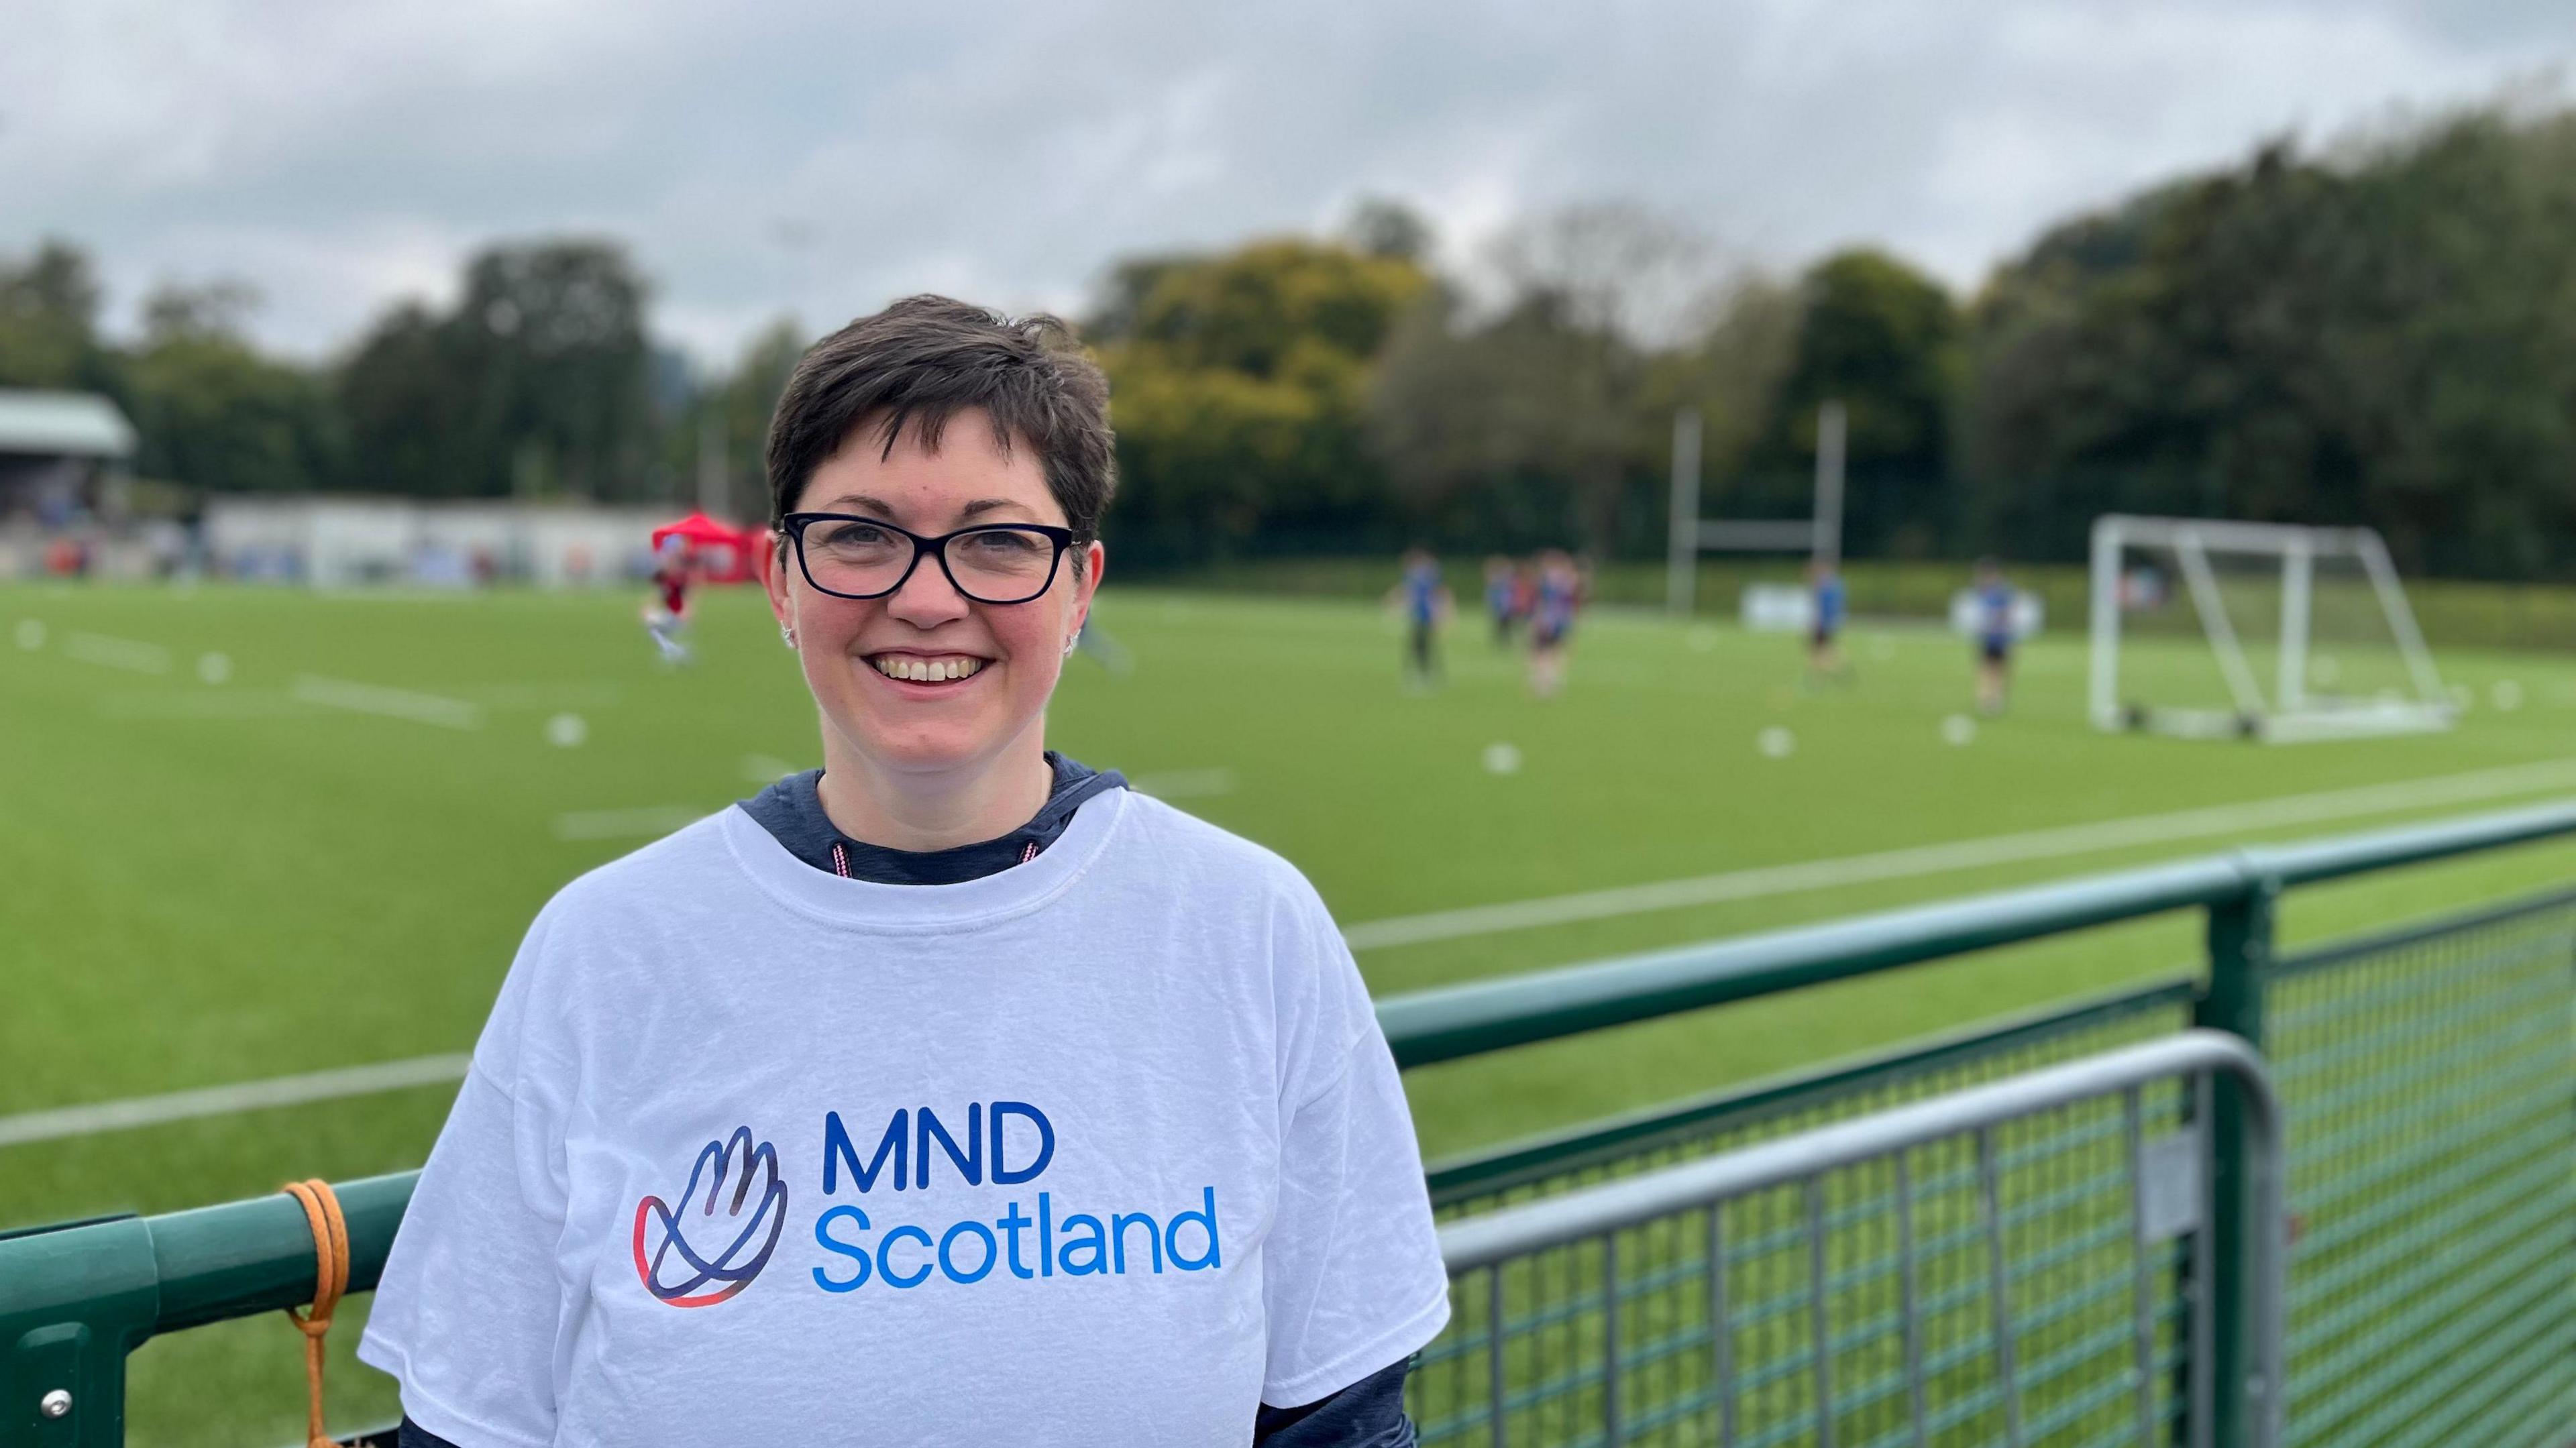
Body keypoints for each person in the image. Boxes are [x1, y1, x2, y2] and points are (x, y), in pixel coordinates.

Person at [362, 298, 1450, 1447]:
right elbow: (470, 1423)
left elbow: (1340, 1424)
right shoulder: (607, 947)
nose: (927, 596)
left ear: (1079, 587)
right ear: (782, 580)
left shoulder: (1250, 928)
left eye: (996, 539)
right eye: (862, 533)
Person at [1388, 547, 1451, 687]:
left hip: (1424, 616)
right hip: (1418, 615)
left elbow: (1434, 595)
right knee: (1419, 645)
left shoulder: (1425, 576)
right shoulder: (1416, 575)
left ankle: (1426, 673)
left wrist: (1440, 614)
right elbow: (1410, 594)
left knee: (1421, 645)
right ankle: (1425, 672)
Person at [1527, 549, 1581, 698]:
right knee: (1556, 650)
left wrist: (1536, 620)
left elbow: (1541, 602)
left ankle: (1543, 681)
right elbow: (1573, 602)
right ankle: (1552, 678)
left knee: (1541, 651)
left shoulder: (1547, 581)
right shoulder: (1568, 581)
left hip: (1548, 621)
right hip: (1561, 620)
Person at [1973, 557, 2017, 714]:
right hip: (1990, 637)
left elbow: (2005, 614)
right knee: (1987, 668)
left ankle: (1993, 700)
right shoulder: (1987, 590)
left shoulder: (2000, 591)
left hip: (1998, 637)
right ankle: (1987, 700)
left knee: (1997, 669)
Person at [643, 537, 694, 664]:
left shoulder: (680, 576)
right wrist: (649, 607)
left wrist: (687, 612)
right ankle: (675, 651)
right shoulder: (665, 575)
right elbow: (659, 594)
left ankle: (675, 651)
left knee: (654, 629)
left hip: (676, 614)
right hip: (669, 613)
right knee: (653, 627)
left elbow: (685, 596)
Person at [1806, 558, 1847, 681]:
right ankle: (1827, 671)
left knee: (1819, 647)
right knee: (1824, 646)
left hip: (1824, 622)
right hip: (1829, 622)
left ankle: (1819, 674)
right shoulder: (1836, 584)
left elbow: (1824, 607)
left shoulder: (1825, 585)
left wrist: (1819, 621)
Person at [1482, 555, 1519, 647]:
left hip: (1504, 605)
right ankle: (1504, 640)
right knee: (1502, 624)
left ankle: (1505, 640)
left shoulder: (1503, 580)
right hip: (1501, 605)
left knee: (1505, 624)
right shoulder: (1499, 580)